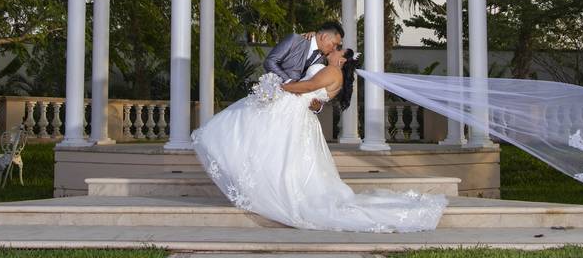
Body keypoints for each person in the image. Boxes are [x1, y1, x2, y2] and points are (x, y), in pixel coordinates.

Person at [191, 46, 446, 232]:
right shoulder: (334, 73)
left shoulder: (333, 71)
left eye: (337, 50)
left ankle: (277, 194)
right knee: (279, 156)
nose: (333, 51)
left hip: (292, 113)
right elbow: (314, 99)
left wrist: (277, 87)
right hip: (295, 116)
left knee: (279, 156)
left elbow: (306, 87)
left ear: (343, 60)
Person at [264, 20, 344, 113]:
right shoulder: (295, 40)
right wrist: (289, 82)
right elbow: (270, 61)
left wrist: (318, 108)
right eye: (334, 44)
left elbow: (316, 88)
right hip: (272, 102)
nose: (334, 48)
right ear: (324, 36)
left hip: (295, 112)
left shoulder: (323, 60)